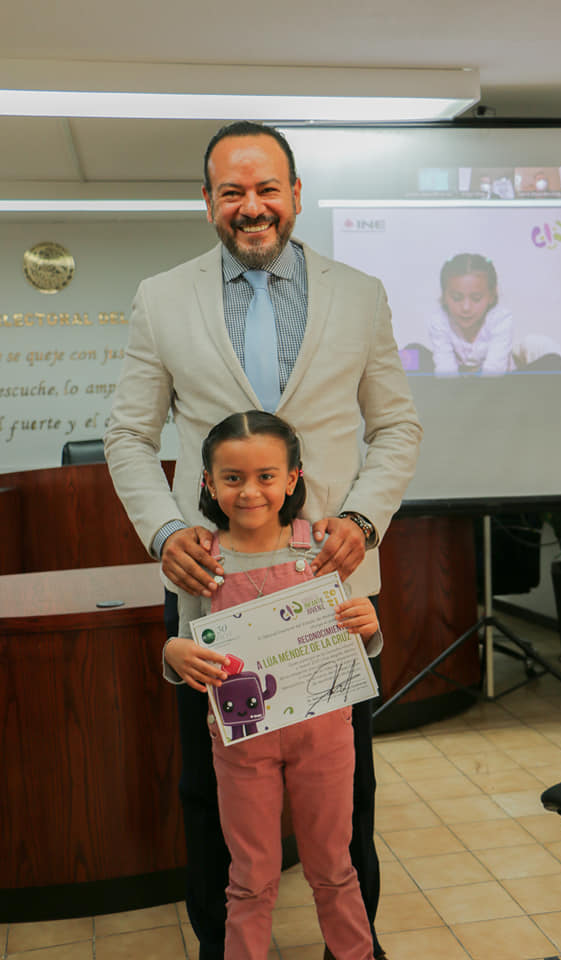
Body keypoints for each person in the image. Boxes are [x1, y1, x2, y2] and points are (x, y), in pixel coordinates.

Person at [104, 119, 422, 960]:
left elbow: (396, 426)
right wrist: (165, 529)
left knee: (346, 799)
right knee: (209, 791)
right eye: (233, 192)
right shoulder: (161, 298)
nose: (253, 208)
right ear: (206, 201)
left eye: (268, 188)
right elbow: (129, 437)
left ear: (296, 195)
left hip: (331, 591)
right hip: (213, 591)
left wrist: (360, 520)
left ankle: (351, 948)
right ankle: (223, 945)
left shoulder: (360, 293)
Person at [164, 410, 381, 960]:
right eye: (232, 478)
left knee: (334, 867)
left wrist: (369, 627)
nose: (250, 492)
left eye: (266, 476)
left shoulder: (323, 549)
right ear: (207, 483)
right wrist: (174, 653)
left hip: (326, 736)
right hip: (243, 746)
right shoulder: (200, 558)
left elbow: (357, 635)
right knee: (250, 877)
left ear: (292, 478)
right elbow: (183, 638)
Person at [402, 253, 561, 376]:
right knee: (410, 354)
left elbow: (494, 373)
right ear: (444, 296)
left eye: (476, 298)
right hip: (456, 387)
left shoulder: (501, 319)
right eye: (457, 298)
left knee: (554, 362)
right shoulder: (439, 320)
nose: (466, 307)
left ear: (491, 296)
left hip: (500, 386)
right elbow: (445, 370)